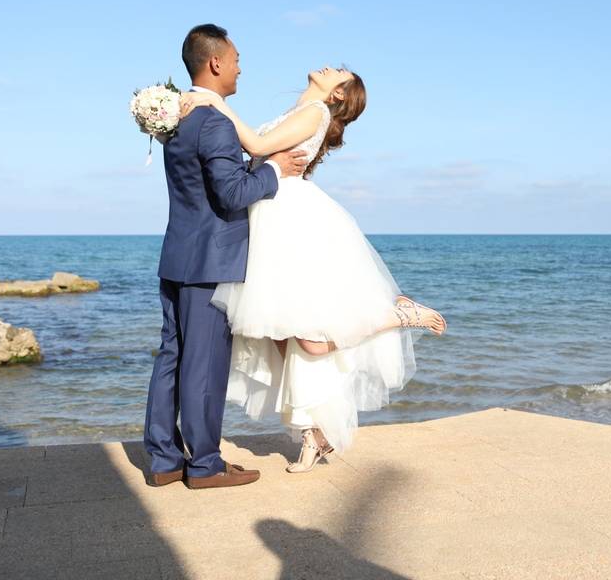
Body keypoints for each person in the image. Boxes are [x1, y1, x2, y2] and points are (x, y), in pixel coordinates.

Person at [181, 64, 447, 473]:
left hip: (293, 221)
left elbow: (255, 145)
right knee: (284, 341)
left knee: (310, 341)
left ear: (338, 94)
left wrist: (215, 101)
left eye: (338, 72)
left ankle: (396, 315)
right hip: (269, 219)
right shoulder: (299, 110)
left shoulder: (315, 113)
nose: (329, 66)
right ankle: (313, 433)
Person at [143, 24, 309, 489]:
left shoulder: (176, 119)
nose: (240, 66)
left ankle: (163, 459)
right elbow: (232, 193)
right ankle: (205, 465)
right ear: (215, 63)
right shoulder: (214, 121)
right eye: (236, 58)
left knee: (171, 359)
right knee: (204, 365)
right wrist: (273, 169)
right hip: (211, 263)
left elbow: (203, 184)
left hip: (177, 255)